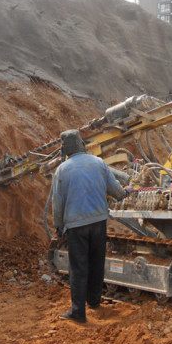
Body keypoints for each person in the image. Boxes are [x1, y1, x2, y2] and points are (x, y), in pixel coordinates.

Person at [52, 130, 131, 323]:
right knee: (97, 263)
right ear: (82, 145)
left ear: (66, 149)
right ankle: (94, 302)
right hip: (98, 222)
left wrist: (58, 226)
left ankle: (78, 312)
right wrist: (126, 191)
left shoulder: (62, 170)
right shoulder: (99, 163)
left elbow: (57, 203)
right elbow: (116, 192)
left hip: (76, 226)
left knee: (78, 268)